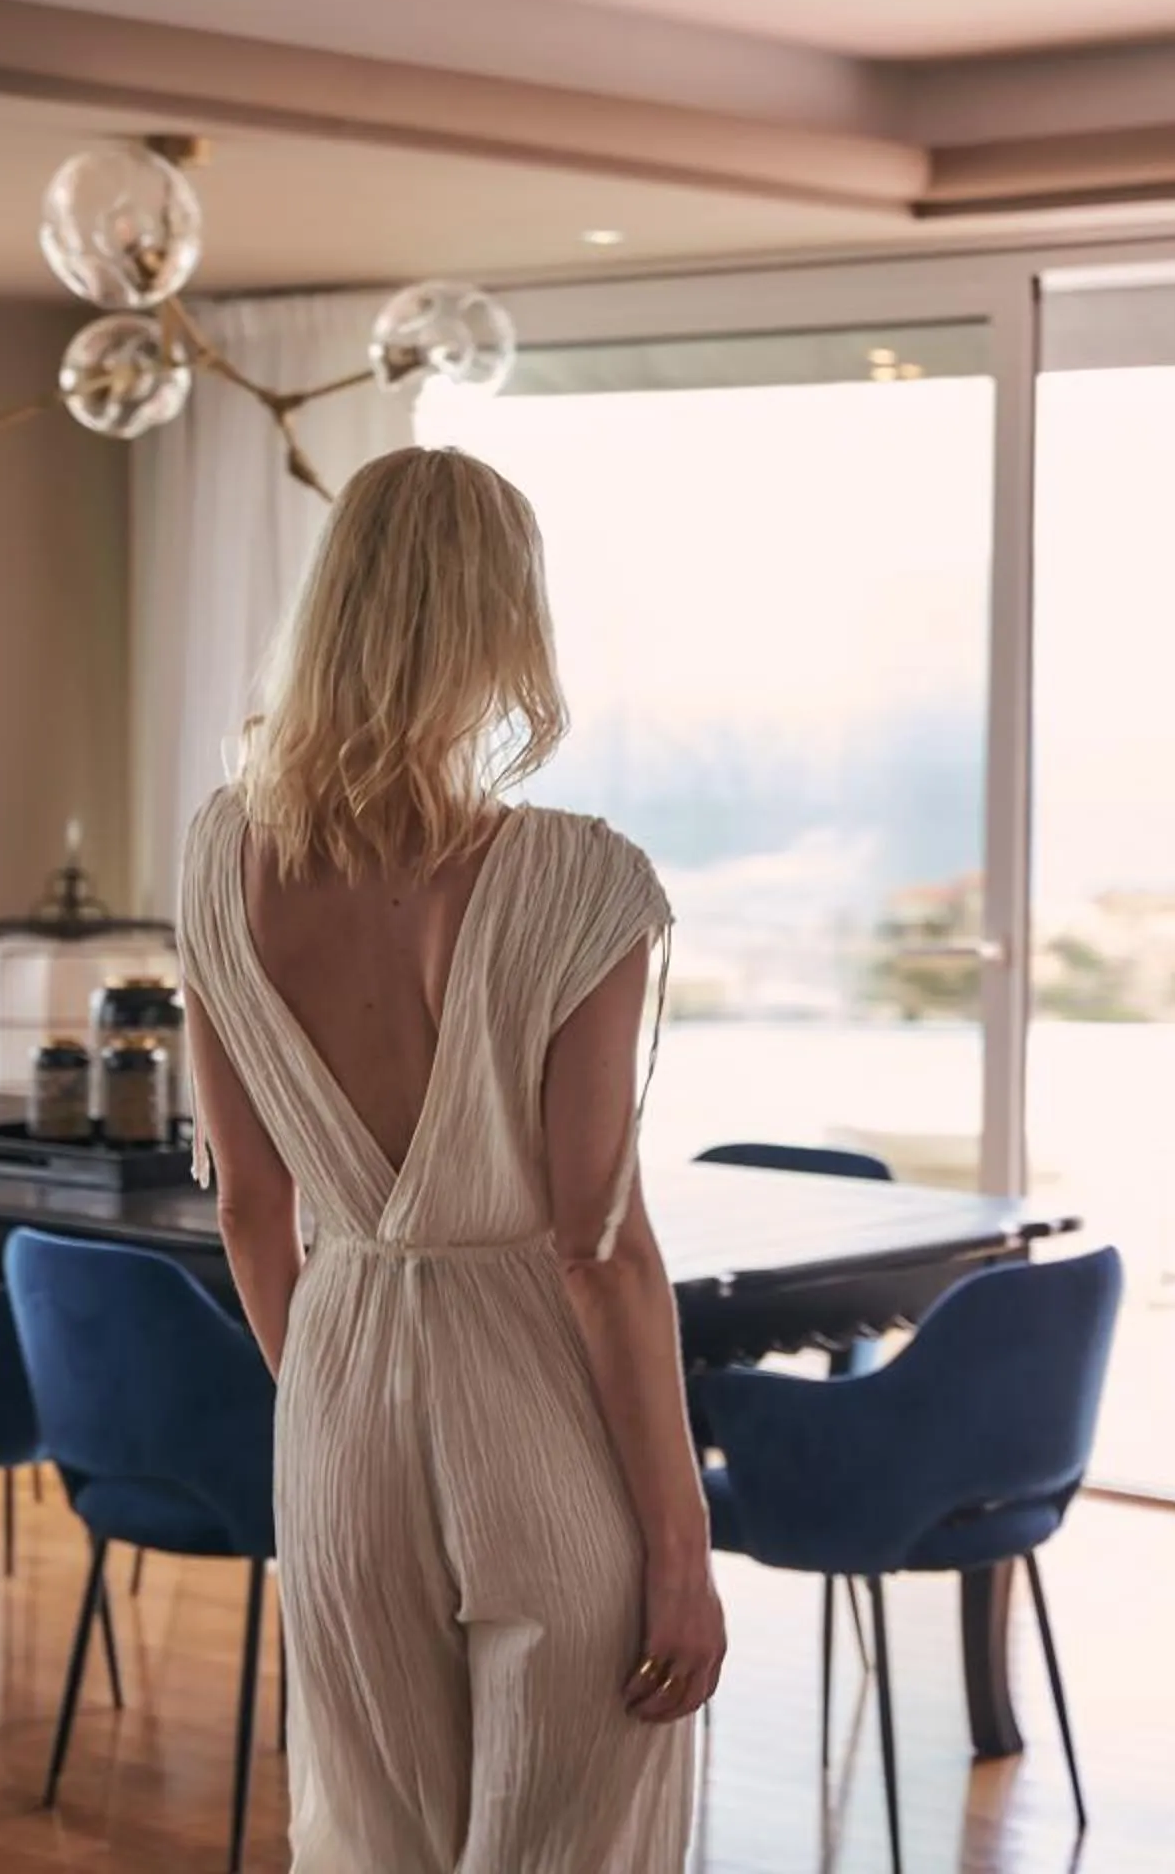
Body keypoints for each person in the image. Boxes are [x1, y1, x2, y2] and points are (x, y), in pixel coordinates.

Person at [177, 446, 716, 1871]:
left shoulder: (222, 858)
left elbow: (249, 1205)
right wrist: (682, 1550)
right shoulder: (581, 881)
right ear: (504, 621)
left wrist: (346, 1406)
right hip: (535, 1406)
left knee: (370, 1842)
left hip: (335, 1404)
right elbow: (600, 1250)